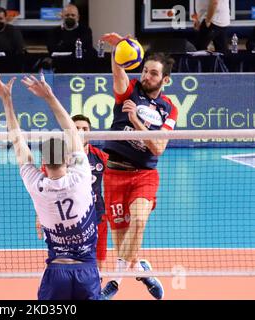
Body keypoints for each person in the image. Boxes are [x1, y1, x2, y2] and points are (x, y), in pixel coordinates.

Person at [0, 72, 101, 300]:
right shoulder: (82, 175)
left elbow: (17, 140)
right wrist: (49, 97)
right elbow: (71, 130)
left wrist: (6, 100)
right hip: (86, 269)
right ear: (67, 159)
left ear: (43, 163)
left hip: (56, 271)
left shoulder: (36, 184)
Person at [99, 33, 179, 300]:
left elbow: (158, 147)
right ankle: (142, 270)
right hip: (114, 173)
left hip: (144, 174)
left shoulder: (169, 110)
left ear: (165, 80)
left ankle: (115, 282)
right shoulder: (130, 90)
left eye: (153, 73)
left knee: (140, 220)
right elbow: (118, 71)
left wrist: (136, 122)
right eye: (145, 70)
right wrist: (118, 49)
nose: (146, 76)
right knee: (122, 242)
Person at [37, 115, 109, 275]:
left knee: (99, 259)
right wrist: (39, 216)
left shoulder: (101, 156)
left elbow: (113, 181)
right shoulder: (58, 156)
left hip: (97, 214)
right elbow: (44, 186)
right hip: (69, 220)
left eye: (85, 129)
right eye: (76, 128)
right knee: (67, 259)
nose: (81, 132)